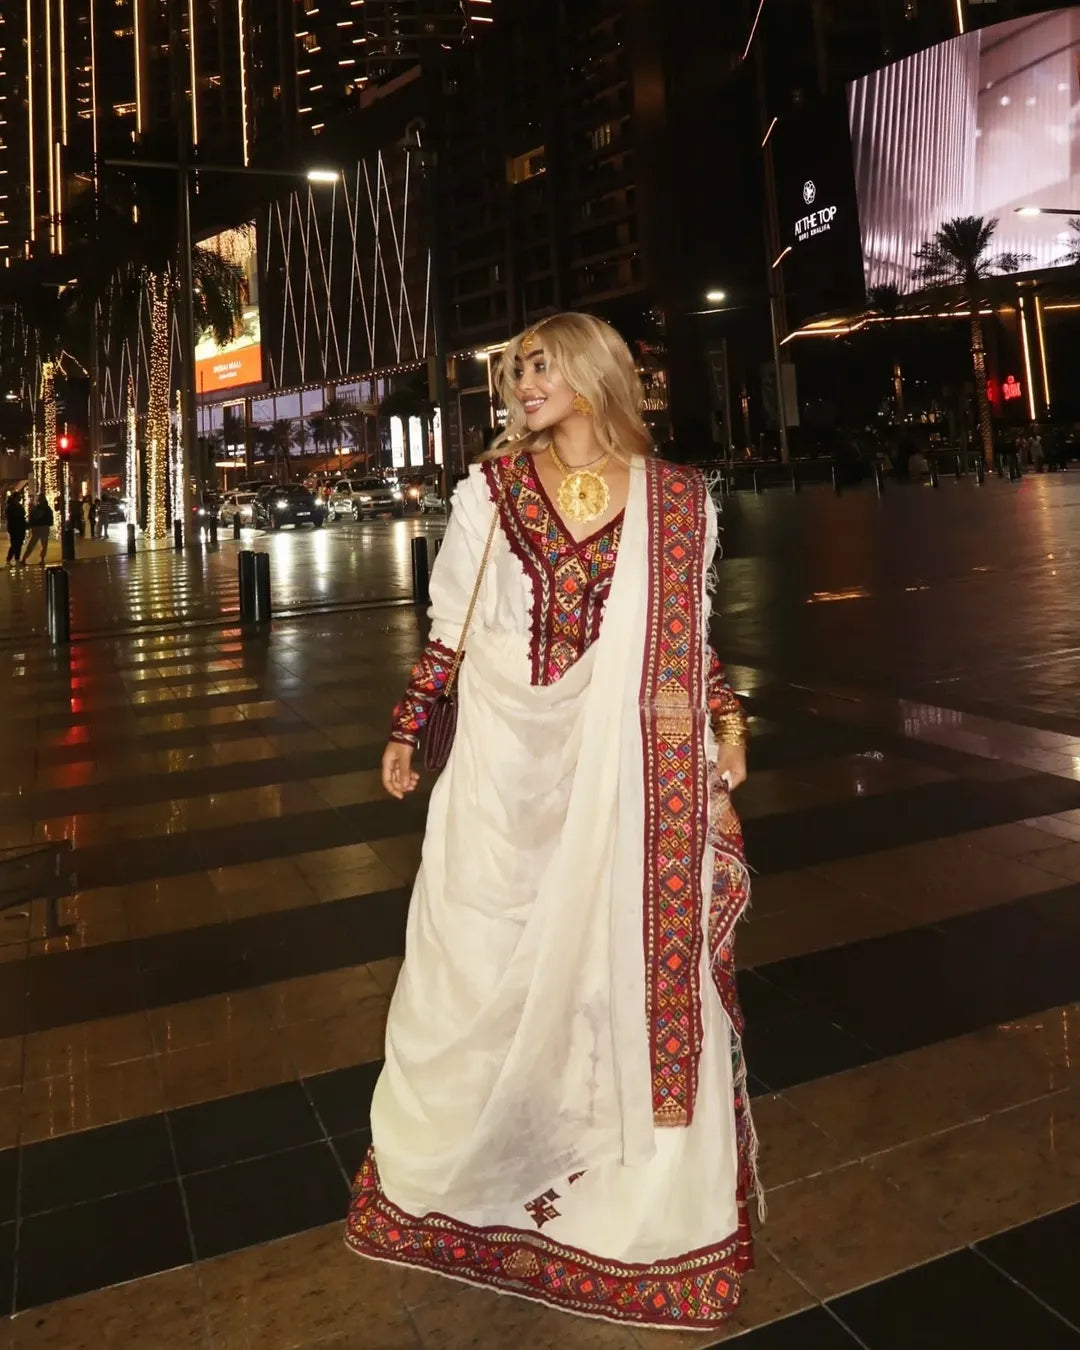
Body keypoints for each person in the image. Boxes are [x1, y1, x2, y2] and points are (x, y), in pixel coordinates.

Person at [345, 313, 758, 1330]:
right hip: (498, 769)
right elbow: (450, 627)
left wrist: (725, 719)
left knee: (608, 959)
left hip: (616, 769)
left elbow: (689, 634)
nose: (523, 384)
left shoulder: (676, 500)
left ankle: (611, 1161)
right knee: (479, 957)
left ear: (595, 374)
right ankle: (477, 1159)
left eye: (542, 365)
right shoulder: (489, 492)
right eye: (517, 369)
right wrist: (410, 726)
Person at [23, 494, 54, 566]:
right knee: (44, 544)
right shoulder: (47, 509)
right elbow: (50, 519)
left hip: (37, 528)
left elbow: (32, 518)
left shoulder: (36, 509)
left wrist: (31, 524)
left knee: (32, 543)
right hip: (44, 527)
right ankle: (42, 559)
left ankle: (24, 558)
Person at [5, 491, 27, 565]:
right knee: (15, 544)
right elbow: (11, 517)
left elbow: (22, 516)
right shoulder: (11, 507)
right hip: (14, 527)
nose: (20, 497)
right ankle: (9, 558)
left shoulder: (19, 506)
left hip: (20, 527)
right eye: (19, 496)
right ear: (15, 498)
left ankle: (17, 558)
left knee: (19, 543)